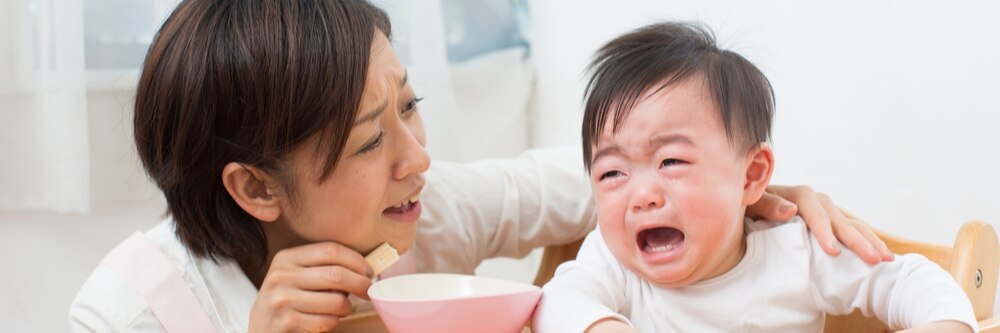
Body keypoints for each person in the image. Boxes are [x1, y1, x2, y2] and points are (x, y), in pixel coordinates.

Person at [68, 2, 891, 332]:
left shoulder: (433, 204)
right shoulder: (130, 307)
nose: (418, 157)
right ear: (255, 187)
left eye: (412, 105)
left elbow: (620, 176)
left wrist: (755, 193)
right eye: (369, 141)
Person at [532, 22, 977, 333]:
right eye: (612, 172)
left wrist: (946, 323)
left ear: (751, 176)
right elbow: (553, 303)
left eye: (671, 162)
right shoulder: (612, 265)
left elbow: (905, 280)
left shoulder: (798, 252)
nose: (642, 195)